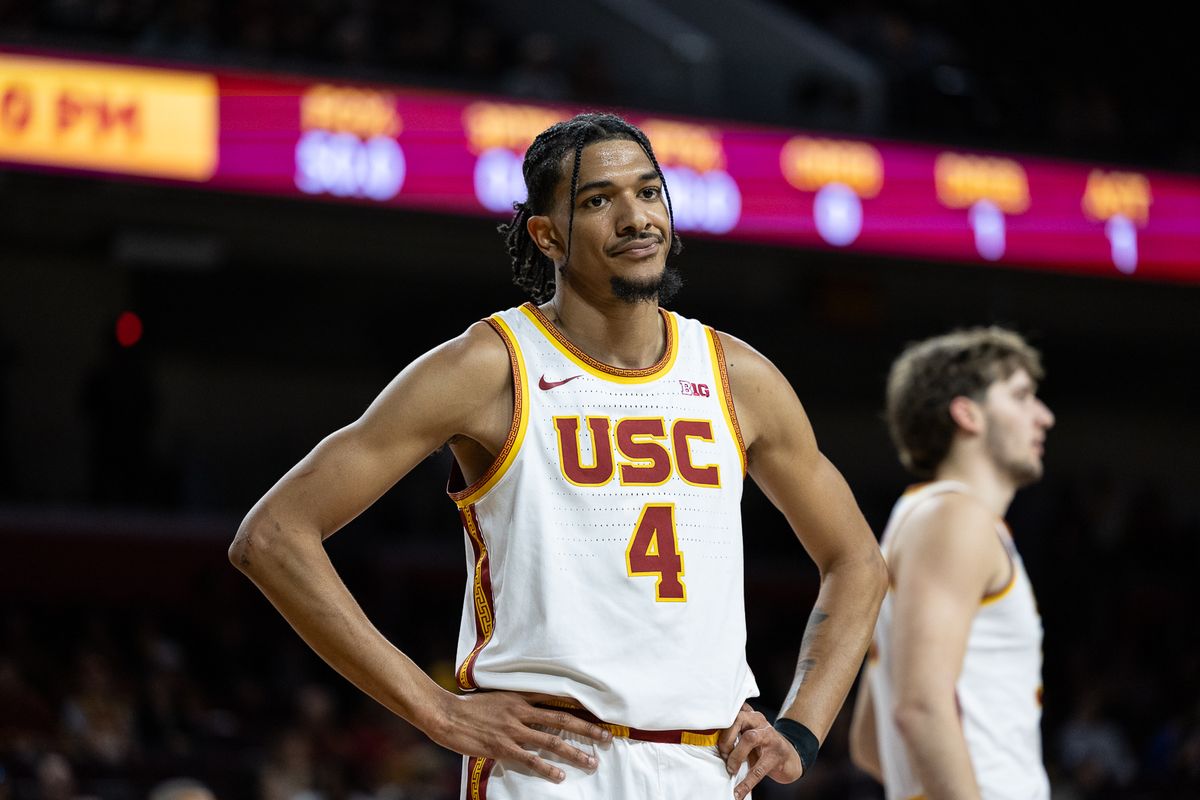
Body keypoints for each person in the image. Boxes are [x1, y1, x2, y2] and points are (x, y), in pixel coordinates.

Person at [231, 112, 886, 800]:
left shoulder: (736, 375)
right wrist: (435, 708)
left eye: (649, 192)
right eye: (599, 200)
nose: (636, 217)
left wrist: (803, 730)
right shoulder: (491, 365)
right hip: (552, 768)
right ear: (547, 235)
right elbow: (273, 537)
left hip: (706, 768)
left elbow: (858, 562)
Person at [849, 328, 1055, 799]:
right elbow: (920, 707)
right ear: (967, 413)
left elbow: (867, 741)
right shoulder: (955, 518)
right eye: (1022, 397)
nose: (1044, 416)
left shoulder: (923, 517)